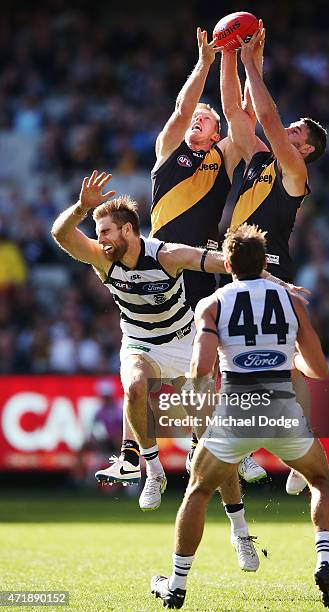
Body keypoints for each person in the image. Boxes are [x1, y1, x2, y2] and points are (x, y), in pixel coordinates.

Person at [51, 170, 261, 570]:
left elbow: (224, 262)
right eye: (99, 231)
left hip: (184, 346)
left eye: (108, 230)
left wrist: (263, 276)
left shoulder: (165, 254)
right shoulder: (101, 257)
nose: (102, 238)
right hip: (139, 344)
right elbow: (61, 235)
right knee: (134, 386)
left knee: (215, 450)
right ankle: (152, 470)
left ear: (129, 230)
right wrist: (83, 208)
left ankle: (240, 530)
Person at [96, 27, 268, 491]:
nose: (198, 120)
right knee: (144, 364)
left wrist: (245, 58)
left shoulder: (225, 156)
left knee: (211, 361)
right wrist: (206, 62)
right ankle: (142, 461)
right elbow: (180, 108)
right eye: (197, 118)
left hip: (204, 265)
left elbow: (243, 116)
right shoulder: (167, 151)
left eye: (205, 120)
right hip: (161, 262)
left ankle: (220, 445)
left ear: (216, 134)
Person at [151, 224, 329, 610]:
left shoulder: (214, 303)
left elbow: (201, 369)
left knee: (198, 491)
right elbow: (319, 369)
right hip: (284, 410)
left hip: (237, 411)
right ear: (264, 262)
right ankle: (325, 562)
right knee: (320, 479)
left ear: (228, 262)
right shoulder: (291, 302)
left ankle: (177, 585)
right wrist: (287, 357)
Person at [220, 24, 327, 495]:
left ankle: (302, 451)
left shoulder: (294, 167)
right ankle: (244, 452)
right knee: (240, 362)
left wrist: (249, 60)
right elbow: (236, 111)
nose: (290, 130)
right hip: (235, 265)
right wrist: (230, 54)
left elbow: (263, 112)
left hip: (271, 268)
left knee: (282, 364)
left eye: (297, 131)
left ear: (305, 149)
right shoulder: (260, 156)